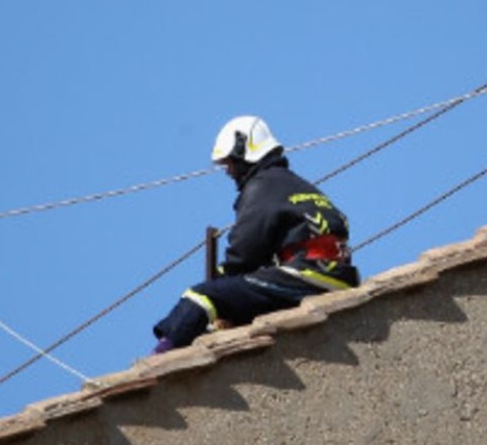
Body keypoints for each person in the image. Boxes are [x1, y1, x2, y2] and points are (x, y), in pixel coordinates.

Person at [152, 116, 359, 352]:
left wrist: (221, 280)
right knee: (238, 306)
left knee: (201, 296)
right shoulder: (301, 186)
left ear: (244, 150)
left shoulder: (261, 186)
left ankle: (158, 358)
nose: (228, 171)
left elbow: (244, 253)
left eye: (229, 162)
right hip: (341, 277)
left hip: (308, 276)